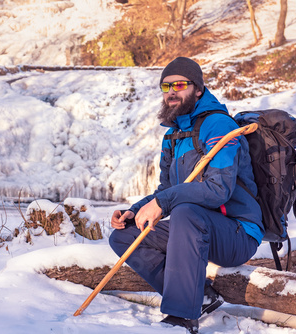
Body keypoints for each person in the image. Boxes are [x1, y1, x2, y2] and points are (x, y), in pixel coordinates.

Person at [108, 57, 264, 334]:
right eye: (166, 86)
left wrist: (163, 203)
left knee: (184, 212)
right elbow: (165, 191)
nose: (171, 91)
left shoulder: (219, 126)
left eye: (180, 84)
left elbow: (219, 191)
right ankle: (201, 295)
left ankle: (181, 318)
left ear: (198, 89)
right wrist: (135, 210)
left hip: (237, 233)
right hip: (192, 227)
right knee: (125, 235)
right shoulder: (173, 135)